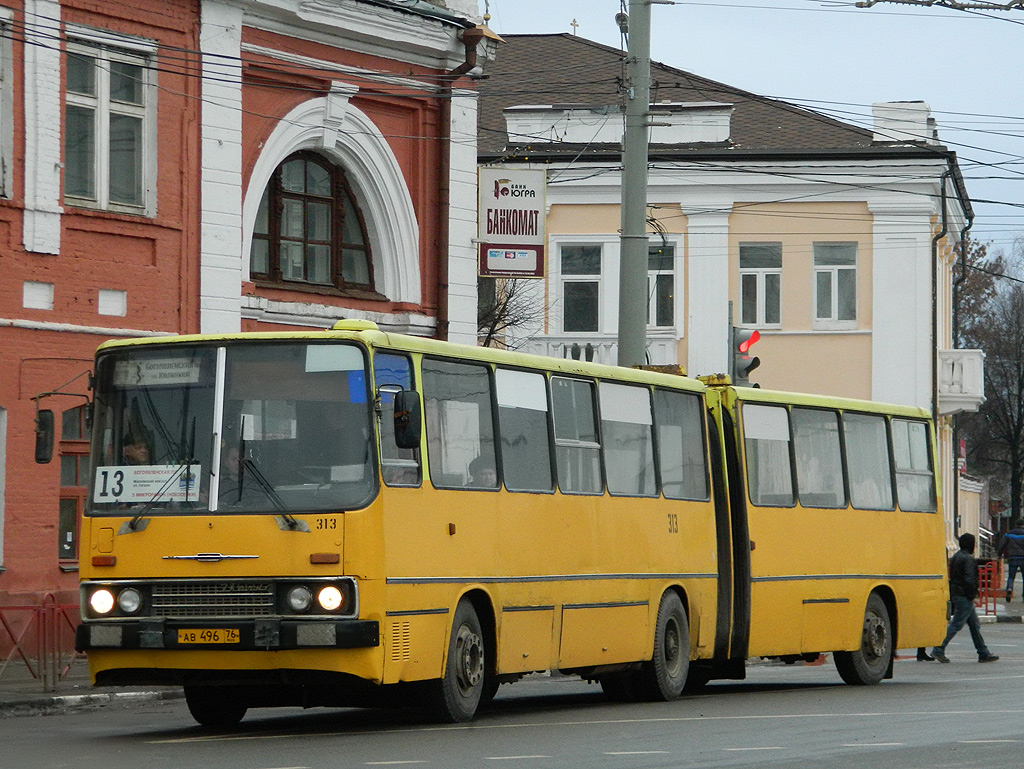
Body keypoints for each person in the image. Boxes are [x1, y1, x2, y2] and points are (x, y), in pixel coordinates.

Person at [931, 533, 999, 664]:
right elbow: (969, 578)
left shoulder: (956, 556)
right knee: (957, 624)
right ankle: (939, 648)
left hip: (957, 593)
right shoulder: (968, 559)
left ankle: (983, 652)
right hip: (964, 595)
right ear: (971, 545)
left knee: (974, 624)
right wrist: (973, 592)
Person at [997, 520, 1024, 602]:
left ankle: (1009, 588)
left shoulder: (1009, 534)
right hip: (1023, 558)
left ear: (1016, 525)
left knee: (1011, 576)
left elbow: (1002, 544)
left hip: (1012, 557)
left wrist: (999, 553)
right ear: (1023, 525)